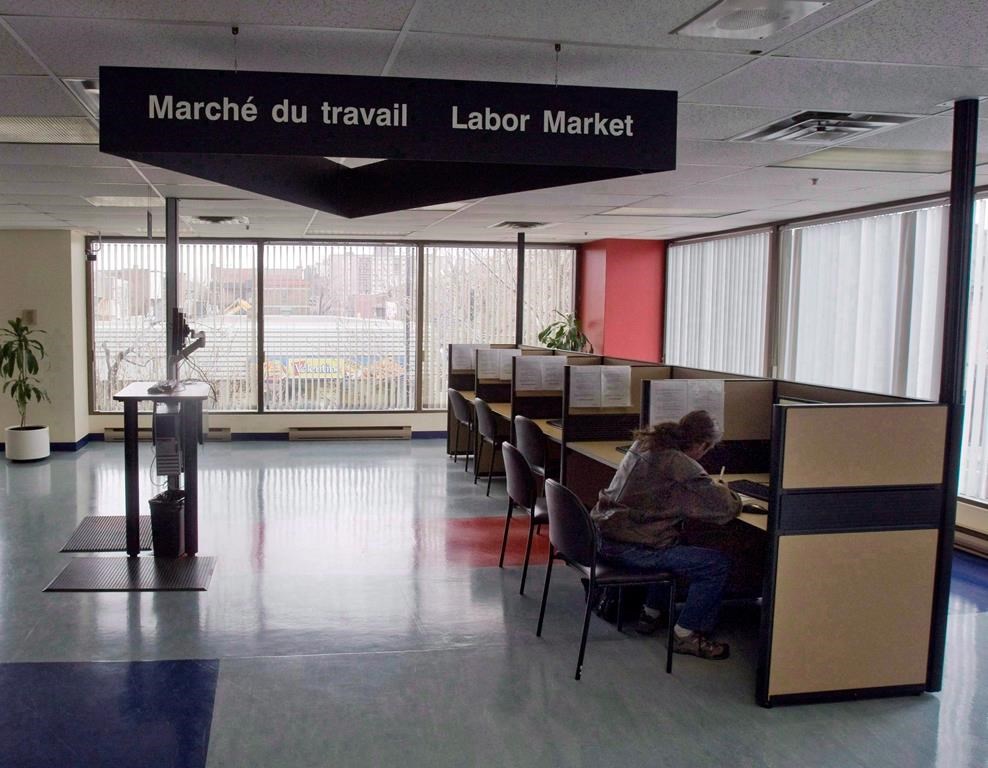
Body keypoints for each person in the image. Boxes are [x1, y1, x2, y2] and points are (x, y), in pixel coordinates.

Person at [590, 410, 741, 660]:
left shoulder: (645, 444)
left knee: (675, 539)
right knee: (716, 565)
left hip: (604, 536)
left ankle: (650, 613)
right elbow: (725, 507)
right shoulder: (679, 463)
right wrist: (725, 490)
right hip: (631, 547)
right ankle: (686, 634)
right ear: (702, 445)